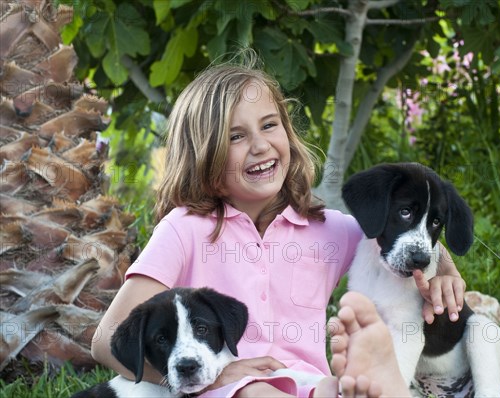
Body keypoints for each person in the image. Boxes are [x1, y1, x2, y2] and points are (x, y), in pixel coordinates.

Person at [91, 52, 465, 397]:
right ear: (203, 155)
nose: (259, 145)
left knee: (347, 388)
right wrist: (200, 378)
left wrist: (444, 267)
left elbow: (394, 240)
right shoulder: (184, 229)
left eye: (269, 125)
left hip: (309, 384)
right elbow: (107, 339)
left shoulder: (329, 229)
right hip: (229, 388)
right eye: (236, 136)